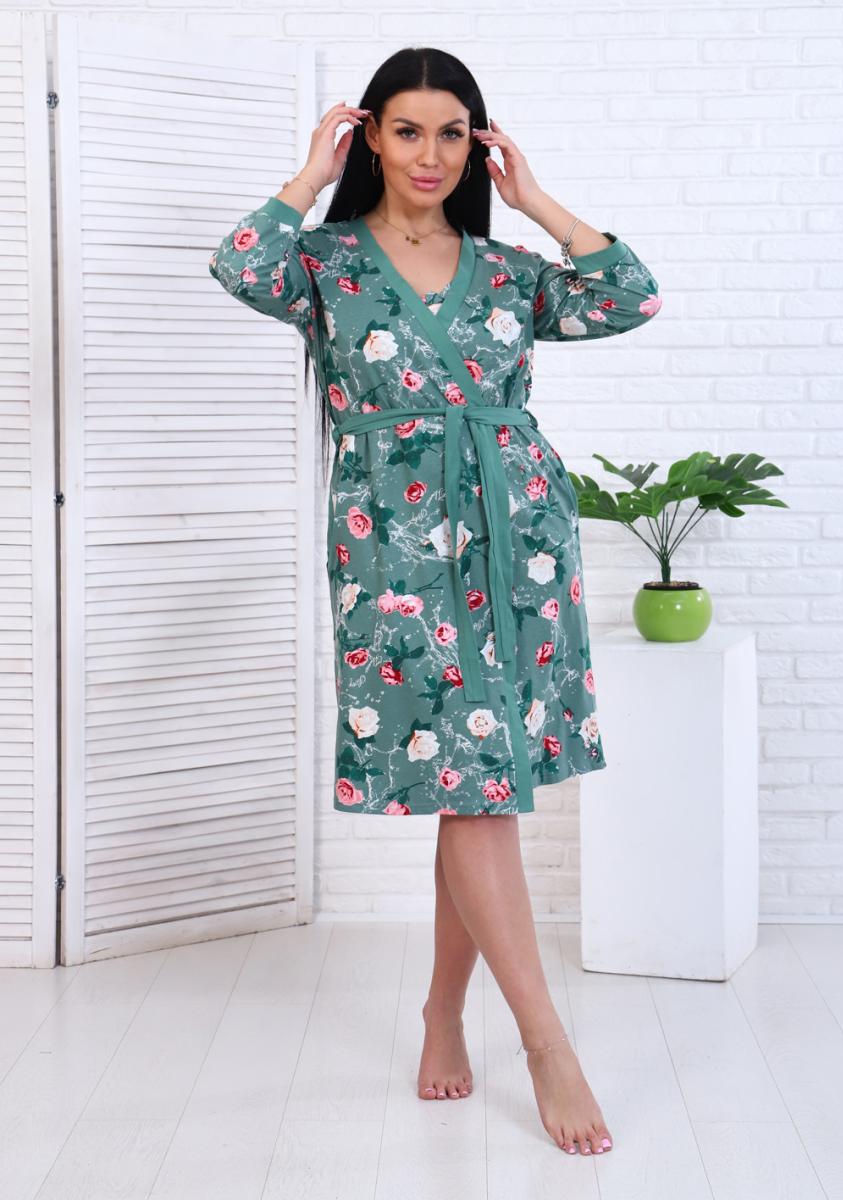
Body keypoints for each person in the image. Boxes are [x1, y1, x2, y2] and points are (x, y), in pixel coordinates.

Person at [209, 46, 661, 1157]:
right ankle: (545, 1043)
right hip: (393, 560)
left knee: (481, 790)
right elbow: (238, 264)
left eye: (451, 132)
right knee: (473, 787)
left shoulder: (507, 270)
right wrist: (305, 178)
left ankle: (444, 1014)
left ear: (477, 143)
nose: (429, 154)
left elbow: (628, 295)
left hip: (523, 544)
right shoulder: (323, 261)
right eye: (405, 130)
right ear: (369, 136)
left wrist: (535, 200)